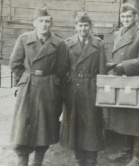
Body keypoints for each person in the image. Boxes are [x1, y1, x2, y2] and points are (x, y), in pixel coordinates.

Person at [9, 7, 68, 166]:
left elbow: (62, 69)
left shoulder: (59, 43)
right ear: (34, 22)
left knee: (45, 129)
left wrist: (54, 86)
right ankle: (22, 160)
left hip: (48, 89)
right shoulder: (24, 39)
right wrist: (24, 80)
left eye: (47, 21)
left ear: (51, 23)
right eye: (41, 21)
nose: (44, 24)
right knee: (24, 127)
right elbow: (15, 64)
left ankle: (38, 162)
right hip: (28, 87)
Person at [106, 3, 139, 166]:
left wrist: (124, 66)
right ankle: (127, 152)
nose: (126, 20)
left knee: (138, 120)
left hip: (136, 81)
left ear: (135, 17)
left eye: (129, 17)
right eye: (123, 17)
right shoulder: (118, 33)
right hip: (122, 79)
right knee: (124, 116)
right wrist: (113, 66)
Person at [59, 11, 107, 166]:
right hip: (73, 89)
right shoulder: (68, 44)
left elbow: (102, 72)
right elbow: (63, 69)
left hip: (91, 88)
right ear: (75, 27)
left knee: (92, 125)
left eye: (86, 25)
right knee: (74, 126)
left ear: (90, 27)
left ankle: (92, 160)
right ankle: (79, 159)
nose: (83, 29)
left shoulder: (99, 44)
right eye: (80, 25)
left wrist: (101, 93)